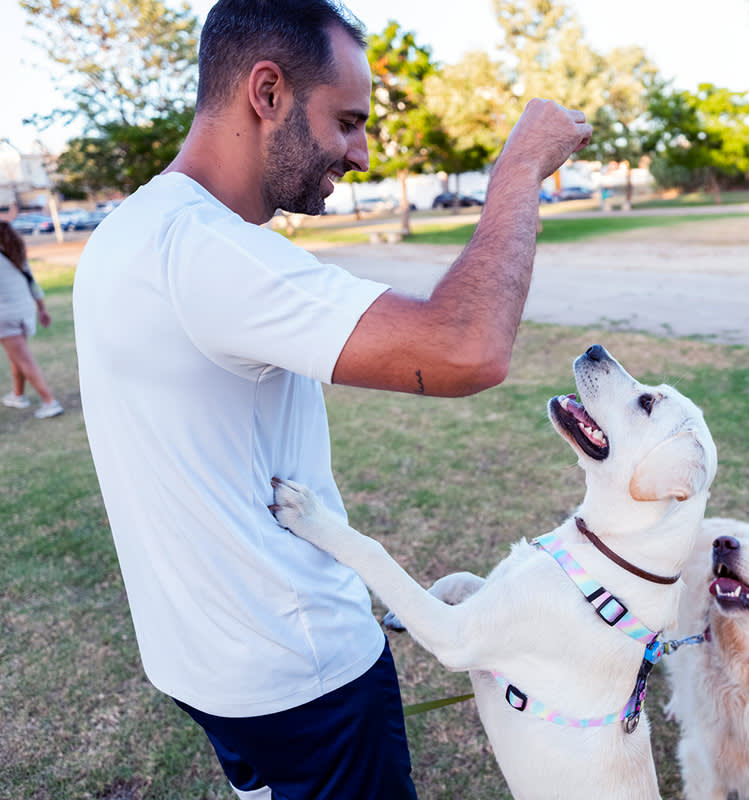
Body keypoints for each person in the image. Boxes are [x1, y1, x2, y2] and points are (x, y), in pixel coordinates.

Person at [72, 0, 591, 798]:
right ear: (268, 92)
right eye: (347, 121)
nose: (361, 152)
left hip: (206, 667)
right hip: (300, 674)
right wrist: (519, 173)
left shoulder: (128, 231)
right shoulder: (210, 250)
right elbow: (468, 348)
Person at [0, 220, 63, 419]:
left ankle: (50, 402)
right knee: (17, 355)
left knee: (23, 358)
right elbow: (33, 284)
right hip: (24, 310)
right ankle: (18, 396)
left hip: (5, 315)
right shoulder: (16, 255)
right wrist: (42, 309)